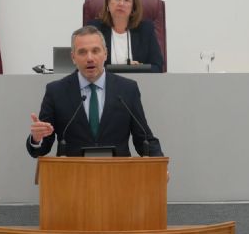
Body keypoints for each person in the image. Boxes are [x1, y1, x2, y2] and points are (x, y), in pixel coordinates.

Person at [27, 25, 163, 158]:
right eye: (82, 52)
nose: (90, 58)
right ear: (73, 57)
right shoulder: (56, 91)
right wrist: (36, 138)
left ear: (105, 53)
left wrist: (160, 169)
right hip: (72, 177)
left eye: (95, 51)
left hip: (117, 176)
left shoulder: (127, 89)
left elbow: (144, 139)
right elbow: (41, 149)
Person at [86, 0, 164, 73]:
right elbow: (85, 66)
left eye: (127, 0)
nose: (121, 4)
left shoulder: (146, 29)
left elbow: (157, 67)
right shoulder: (94, 29)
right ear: (108, 3)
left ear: (133, 7)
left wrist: (139, 68)